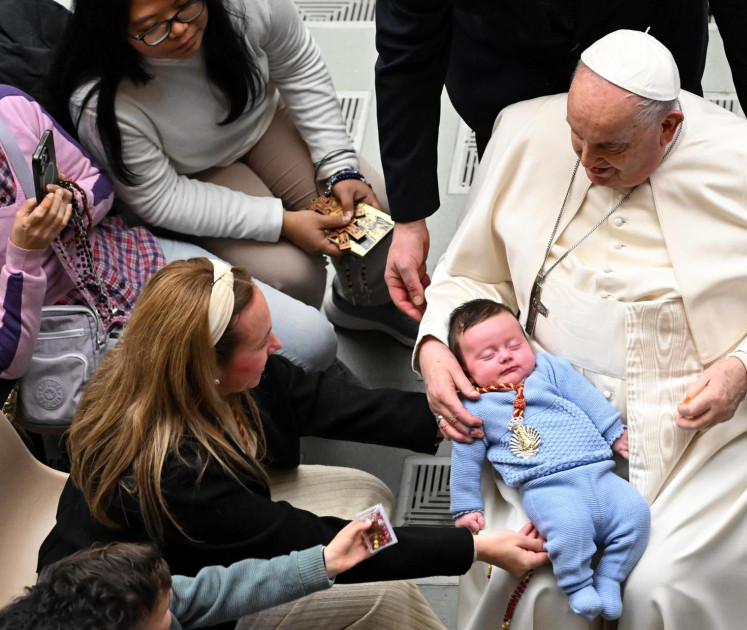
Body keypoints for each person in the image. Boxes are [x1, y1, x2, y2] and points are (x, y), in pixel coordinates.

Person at [414, 30, 747, 630]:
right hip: (544, 410)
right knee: (537, 576)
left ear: (669, 126)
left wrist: (744, 371)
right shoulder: (528, 131)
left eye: (610, 147)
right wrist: (434, 348)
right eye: (577, 137)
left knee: (667, 584)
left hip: (697, 425)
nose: (585, 162)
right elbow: (471, 277)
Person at [37, 257, 548, 629]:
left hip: (216, 526)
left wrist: (461, 414)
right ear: (207, 368)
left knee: (365, 489)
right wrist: (475, 547)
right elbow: (312, 540)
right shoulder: (181, 475)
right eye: (262, 344)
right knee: (385, 599)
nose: (278, 347)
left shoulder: (173, 374)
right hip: (153, 601)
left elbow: (331, 402)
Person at [375, 0, 747, 322]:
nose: (589, 160)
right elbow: (406, 54)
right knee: (522, 214)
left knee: (669, 193)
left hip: (643, 31)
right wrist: (410, 218)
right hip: (508, 64)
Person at [50, 0, 416, 347]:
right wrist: (283, 222)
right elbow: (161, 198)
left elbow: (299, 64)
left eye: (186, 6)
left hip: (262, 118)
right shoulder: (98, 99)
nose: (180, 29)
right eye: (152, 28)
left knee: (371, 215)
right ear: (112, 31)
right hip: (191, 173)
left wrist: (340, 166)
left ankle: (365, 304)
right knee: (294, 278)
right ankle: (278, 359)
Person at [0, 85, 331, 377]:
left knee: (315, 342)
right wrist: (24, 255)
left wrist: (73, 201)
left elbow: (95, 180)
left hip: (123, 261)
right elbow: (7, 361)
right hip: (59, 332)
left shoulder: (10, 108)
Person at [447, 299, 650, 620]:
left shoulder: (550, 370)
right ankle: (579, 584)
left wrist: (613, 431)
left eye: (514, 344)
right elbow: (465, 459)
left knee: (636, 515)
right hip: (548, 488)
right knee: (569, 532)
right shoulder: (477, 407)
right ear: (465, 372)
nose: (505, 355)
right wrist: (466, 505)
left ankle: (610, 577)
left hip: (600, 473)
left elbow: (587, 397)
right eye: (488, 355)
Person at [1, 523, 372, 630]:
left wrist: (324, 562)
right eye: (163, 615)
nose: (172, 611)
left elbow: (223, 589)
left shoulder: (136, 603)